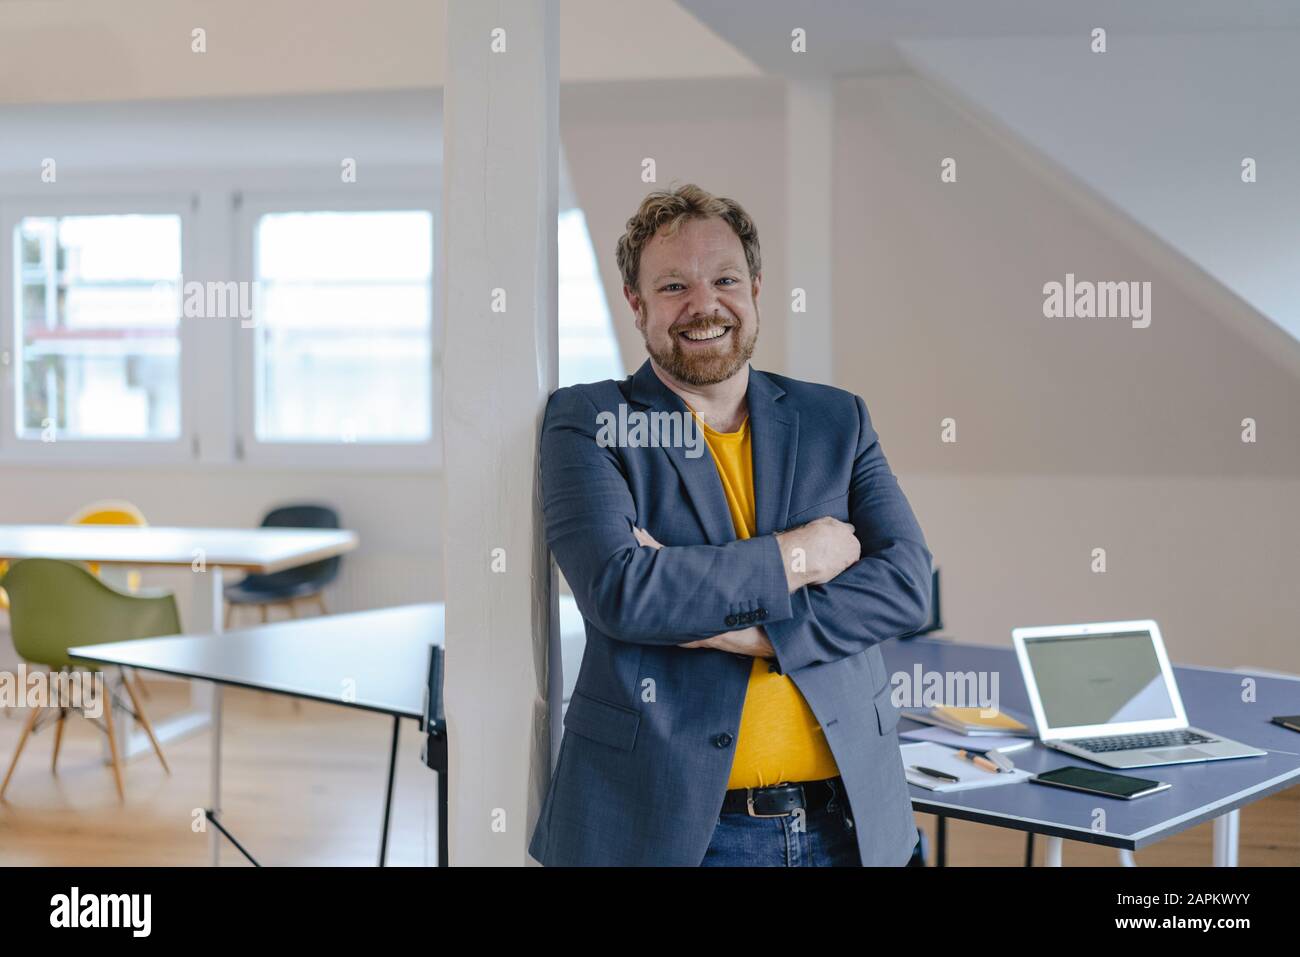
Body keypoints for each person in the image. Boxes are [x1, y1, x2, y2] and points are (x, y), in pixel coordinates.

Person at [529, 183, 932, 866]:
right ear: (636, 303)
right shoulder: (591, 421)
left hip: (851, 824)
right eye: (673, 286)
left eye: (724, 279)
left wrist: (736, 627)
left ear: (756, 288)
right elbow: (623, 593)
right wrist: (804, 553)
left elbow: (906, 585)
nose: (704, 305)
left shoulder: (837, 419)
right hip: (670, 832)